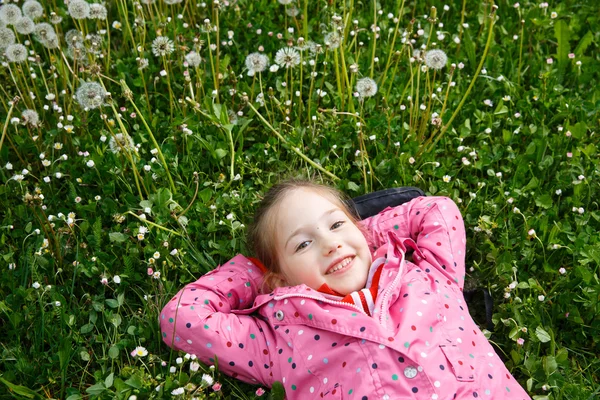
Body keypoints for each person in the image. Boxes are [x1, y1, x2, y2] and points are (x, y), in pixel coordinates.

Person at [160, 179, 530, 399]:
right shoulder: (279, 338)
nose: (329, 244)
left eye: (336, 225)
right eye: (302, 244)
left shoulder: (432, 276)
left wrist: (366, 234)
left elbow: (437, 211)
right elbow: (183, 319)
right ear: (280, 278)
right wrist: (254, 274)